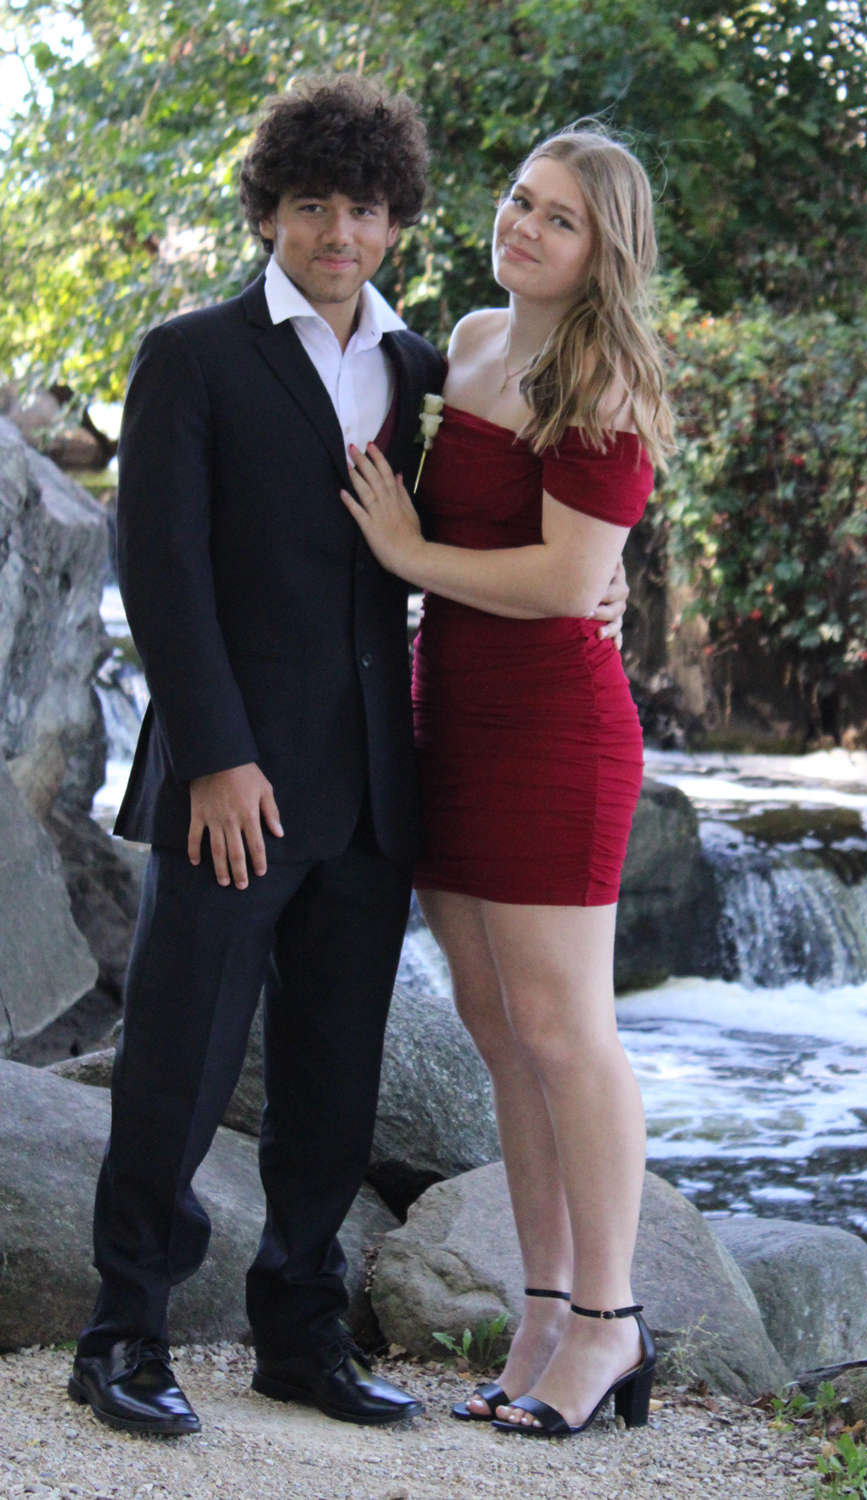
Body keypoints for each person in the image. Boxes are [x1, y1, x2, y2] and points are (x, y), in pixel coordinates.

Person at [69, 77, 629, 1438]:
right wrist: (215, 757)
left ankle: (300, 1333)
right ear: (268, 211)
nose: (340, 232)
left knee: (333, 1078)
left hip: (382, 784)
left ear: (395, 221)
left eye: (366, 209)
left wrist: (602, 584)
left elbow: (519, 520)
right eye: (311, 205)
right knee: (180, 1063)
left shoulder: (424, 368)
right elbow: (161, 575)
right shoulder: (190, 356)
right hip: (234, 786)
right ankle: (124, 1333)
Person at [341, 121, 674, 1438]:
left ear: (603, 253)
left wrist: (409, 555)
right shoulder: (471, 343)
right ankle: (541, 1311)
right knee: (496, 1028)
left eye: (559, 218)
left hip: (552, 732)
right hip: (452, 719)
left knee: (564, 1030)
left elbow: (560, 579)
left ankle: (610, 1323)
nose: (523, 227)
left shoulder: (604, 379)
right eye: (520, 201)